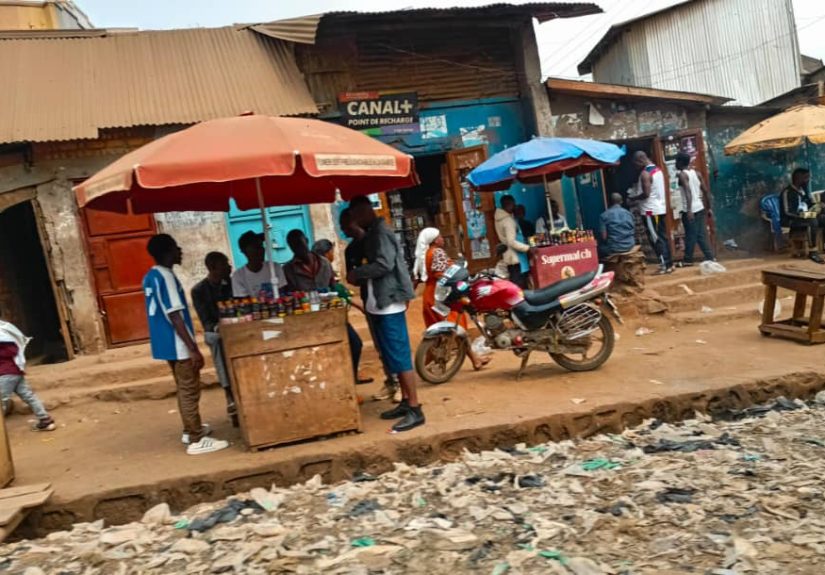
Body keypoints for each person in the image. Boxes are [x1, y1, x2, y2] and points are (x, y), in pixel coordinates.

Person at [143, 234, 229, 455]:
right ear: (167, 252)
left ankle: (191, 428)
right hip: (178, 343)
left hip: (165, 343)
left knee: (183, 387)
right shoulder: (167, 278)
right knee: (190, 389)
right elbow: (175, 316)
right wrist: (192, 348)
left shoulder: (151, 276)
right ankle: (196, 439)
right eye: (176, 248)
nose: (180, 251)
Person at [346, 195, 424, 432]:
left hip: (389, 302)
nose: (355, 221)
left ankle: (415, 407)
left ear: (364, 212)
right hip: (379, 301)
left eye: (356, 216)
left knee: (399, 355)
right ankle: (405, 402)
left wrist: (358, 273)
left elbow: (384, 264)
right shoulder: (371, 233)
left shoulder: (380, 233)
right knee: (392, 355)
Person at [284, 229, 371, 385]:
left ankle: (351, 377)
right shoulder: (289, 269)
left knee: (355, 343)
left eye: (300, 242)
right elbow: (291, 294)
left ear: (306, 240)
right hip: (307, 318)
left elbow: (334, 286)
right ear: (290, 247)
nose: (299, 247)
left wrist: (346, 301)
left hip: (330, 313)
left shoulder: (324, 263)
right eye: (294, 245)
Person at [340, 208, 399, 401]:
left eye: (347, 226)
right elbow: (351, 277)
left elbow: (384, 266)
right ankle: (390, 381)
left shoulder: (375, 241)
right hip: (369, 300)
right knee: (379, 344)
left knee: (393, 343)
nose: (345, 231)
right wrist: (360, 276)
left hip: (386, 299)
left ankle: (399, 383)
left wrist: (361, 273)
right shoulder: (350, 250)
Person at [412, 228, 490, 370]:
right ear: (435, 240)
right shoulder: (437, 252)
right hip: (442, 296)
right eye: (440, 236)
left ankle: (472, 360)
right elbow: (439, 274)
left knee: (443, 334)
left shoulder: (428, 253)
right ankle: (426, 366)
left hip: (431, 295)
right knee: (456, 329)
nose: (442, 238)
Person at [190, 251, 236, 420]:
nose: (229, 267)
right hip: (216, 330)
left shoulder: (232, 283)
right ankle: (228, 392)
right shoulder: (199, 291)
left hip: (237, 326)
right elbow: (206, 321)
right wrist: (220, 327)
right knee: (215, 340)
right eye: (225, 264)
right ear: (212, 268)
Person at [0, 319, 55, 431]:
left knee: (1, 401)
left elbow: (12, 351)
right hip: (14, 372)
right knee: (29, 396)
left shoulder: (4, 338)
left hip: (7, 373)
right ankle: (45, 420)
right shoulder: (5, 334)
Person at [631, 150, 673, 274]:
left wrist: (633, 198)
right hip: (659, 208)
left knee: (655, 238)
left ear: (640, 160)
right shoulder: (658, 170)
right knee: (662, 237)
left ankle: (664, 265)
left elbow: (646, 194)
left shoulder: (645, 174)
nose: (636, 167)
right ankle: (669, 263)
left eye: (636, 164)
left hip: (650, 211)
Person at [676, 152, 715, 266]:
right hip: (700, 208)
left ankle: (688, 260)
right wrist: (709, 208)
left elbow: (688, 192)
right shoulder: (697, 173)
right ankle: (710, 257)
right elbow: (706, 191)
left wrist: (689, 210)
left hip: (690, 210)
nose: (675, 164)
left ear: (680, 162)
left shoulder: (682, 175)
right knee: (700, 234)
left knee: (691, 235)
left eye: (677, 161)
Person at [780, 167, 824, 264]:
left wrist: (818, 206)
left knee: (822, 217)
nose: (808, 180)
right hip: (791, 221)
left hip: (805, 217)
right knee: (812, 221)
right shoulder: (787, 192)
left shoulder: (804, 190)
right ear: (798, 178)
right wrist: (808, 214)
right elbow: (787, 212)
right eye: (806, 178)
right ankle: (813, 252)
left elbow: (810, 204)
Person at [231, 230, 287, 298]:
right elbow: (245, 303)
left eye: (261, 246)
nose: (261, 250)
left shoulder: (275, 267)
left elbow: (282, 295)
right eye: (256, 247)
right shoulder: (238, 276)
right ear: (244, 251)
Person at [494, 194, 531, 288]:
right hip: (515, 258)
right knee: (520, 285)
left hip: (509, 257)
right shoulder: (508, 221)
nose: (515, 206)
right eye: (513, 204)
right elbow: (511, 241)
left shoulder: (499, 219)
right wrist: (528, 248)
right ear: (509, 204)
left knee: (516, 283)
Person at [598, 193, 636, 259]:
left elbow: (604, 237)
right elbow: (634, 230)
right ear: (621, 201)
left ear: (608, 202)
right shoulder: (629, 214)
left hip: (614, 248)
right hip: (630, 245)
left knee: (599, 249)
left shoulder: (604, 216)